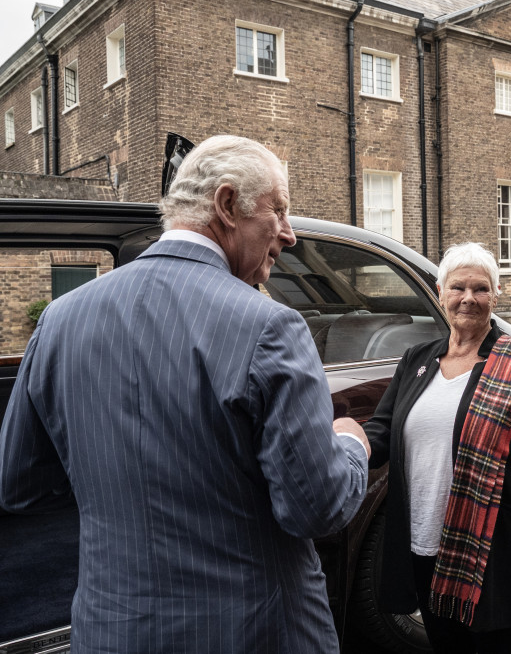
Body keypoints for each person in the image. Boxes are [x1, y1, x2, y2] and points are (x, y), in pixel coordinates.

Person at [0, 135, 370, 653]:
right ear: (225, 205)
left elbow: (20, 485)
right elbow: (317, 508)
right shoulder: (270, 326)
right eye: (278, 210)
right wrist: (352, 445)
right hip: (251, 633)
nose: (288, 234)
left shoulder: (60, 320)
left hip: (111, 632)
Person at [336, 242, 511, 653]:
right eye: (457, 287)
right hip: (423, 544)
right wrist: (342, 443)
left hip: (494, 550)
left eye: (481, 289)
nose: (468, 299)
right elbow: (382, 432)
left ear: (496, 296)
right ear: (440, 291)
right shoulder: (418, 359)